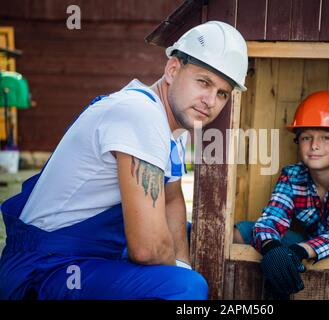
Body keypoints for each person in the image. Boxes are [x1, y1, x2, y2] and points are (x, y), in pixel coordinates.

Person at [0, 21, 248, 300]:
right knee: (185, 288)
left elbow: (171, 199)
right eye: (204, 82)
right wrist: (180, 279)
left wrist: (182, 264)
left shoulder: (175, 129)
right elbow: (148, 248)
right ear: (173, 69)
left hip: (91, 252)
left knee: (202, 235)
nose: (210, 101)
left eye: (222, 93)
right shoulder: (140, 113)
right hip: (46, 267)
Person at [234, 91, 329, 299]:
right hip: (306, 242)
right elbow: (272, 217)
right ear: (298, 142)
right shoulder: (293, 175)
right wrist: (273, 249)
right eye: (306, 137)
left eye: (326, 138)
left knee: (291, 250)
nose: (314, 145)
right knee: (244, 230)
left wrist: (299, 252)